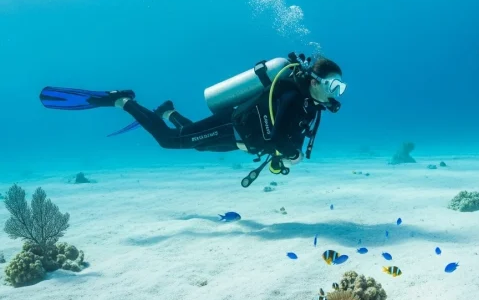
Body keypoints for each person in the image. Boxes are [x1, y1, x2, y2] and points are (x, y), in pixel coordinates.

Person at [39, 52, 346, 186]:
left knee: (196, 145)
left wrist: (283, 155)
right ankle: (123, 101)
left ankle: (168, 112)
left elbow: (281, 138)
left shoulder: (310, 103)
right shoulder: (294, 97)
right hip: (234, 127)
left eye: (340, 88)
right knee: (170, 141)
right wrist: (290, 155)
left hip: (241, 140)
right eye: (333, 86)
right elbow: (280, 138)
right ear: (316, 80)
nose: (336, 94)